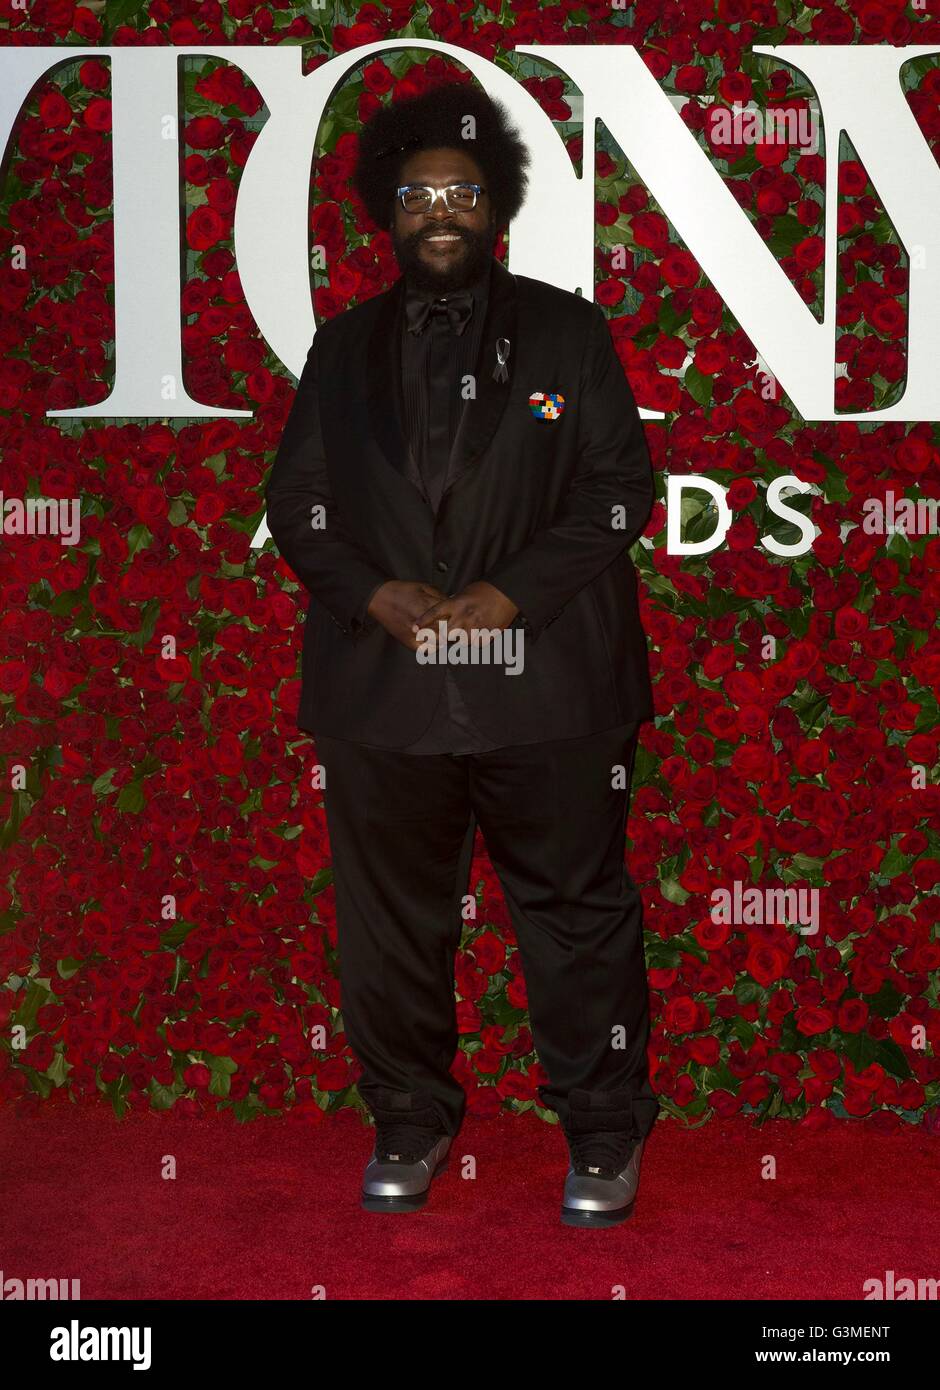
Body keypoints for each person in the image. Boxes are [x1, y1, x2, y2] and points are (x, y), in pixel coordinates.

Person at [265, 80, 659, 1227]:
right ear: (387, 213)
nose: (440, 210)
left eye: (462, 193)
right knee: (390, 924)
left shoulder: (567, 332)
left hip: (552, 690)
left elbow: (620, 491)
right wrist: (370, 591)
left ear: (497, 210)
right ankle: (409, 1117)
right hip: (384, 695)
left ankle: (600, 1130)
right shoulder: (339, 350)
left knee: (576, 914)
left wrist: (506, 594)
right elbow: (298, 504)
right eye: (418, 193)